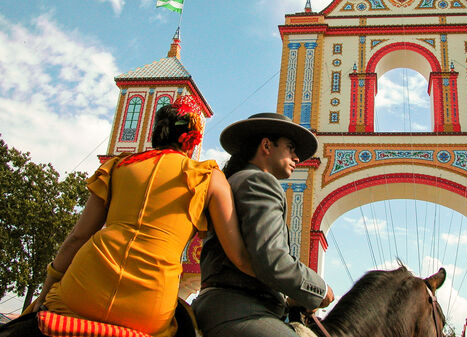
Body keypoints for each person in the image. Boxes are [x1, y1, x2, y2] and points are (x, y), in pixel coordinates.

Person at [26, 96, 255, 337]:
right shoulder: (207, 176)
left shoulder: (116, 167)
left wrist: (45, 292)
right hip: (150, 304)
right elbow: (238, 256)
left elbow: (77, 237)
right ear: (192, 141)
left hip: (83, 287)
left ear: (156, 132)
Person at [192, 113, 335, 337]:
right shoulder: (260, 181)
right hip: (241, 310)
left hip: (222, 306)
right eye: (290, 147)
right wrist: (320, 289)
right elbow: (272, 261)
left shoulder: (235, 181)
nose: (297, 158)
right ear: (267, 145)